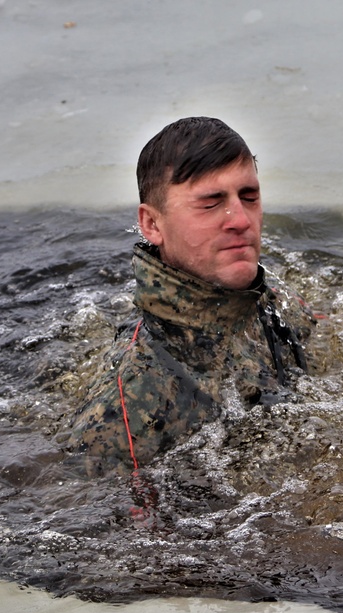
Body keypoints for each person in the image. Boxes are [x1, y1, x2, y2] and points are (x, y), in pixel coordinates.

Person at [66, 116, 320, 476]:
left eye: (249, 197)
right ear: (152, 224)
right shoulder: (124, 418)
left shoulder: (277, 305)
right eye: (210, 203)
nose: (241, 220)